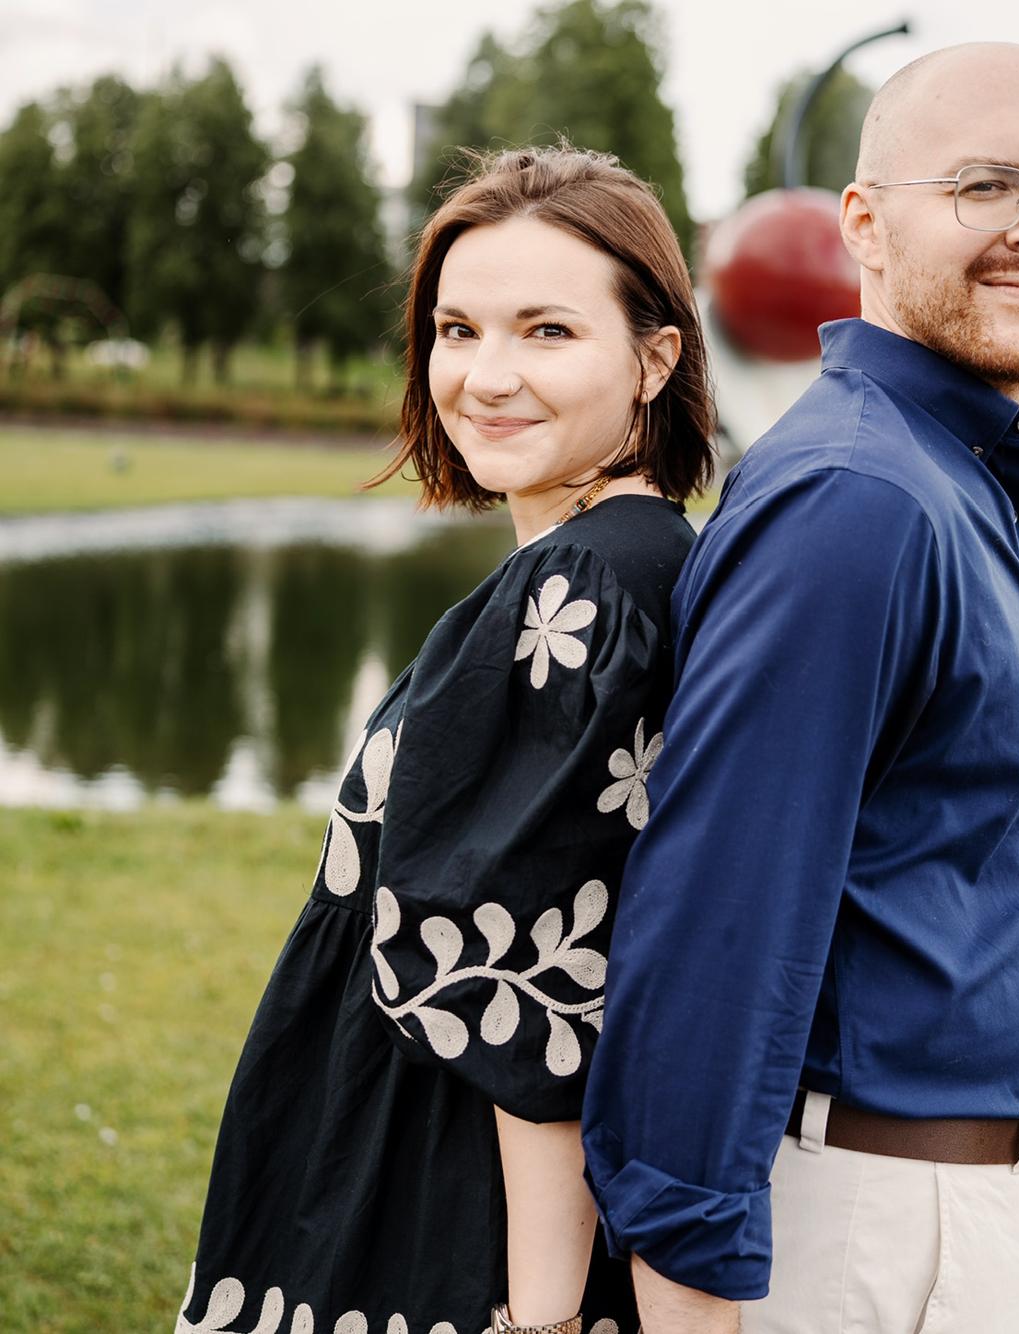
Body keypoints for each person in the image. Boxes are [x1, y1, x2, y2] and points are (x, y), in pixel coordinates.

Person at [582, 43, 1019, 1334]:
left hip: (947, 1215)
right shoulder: (859, 499)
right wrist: (686, 1284)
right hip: (872, 1241)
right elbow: (718, 922)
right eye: (986, 185)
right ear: (865, 226)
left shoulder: (944, 465)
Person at [175, 145, 714, 1334]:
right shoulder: (640, 561)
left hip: (441, 1204)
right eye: (457, 330)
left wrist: (540, 1317)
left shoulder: (574, 595)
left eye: (546, 331)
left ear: (654, 358)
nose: (486, 375)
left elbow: (532, 995)